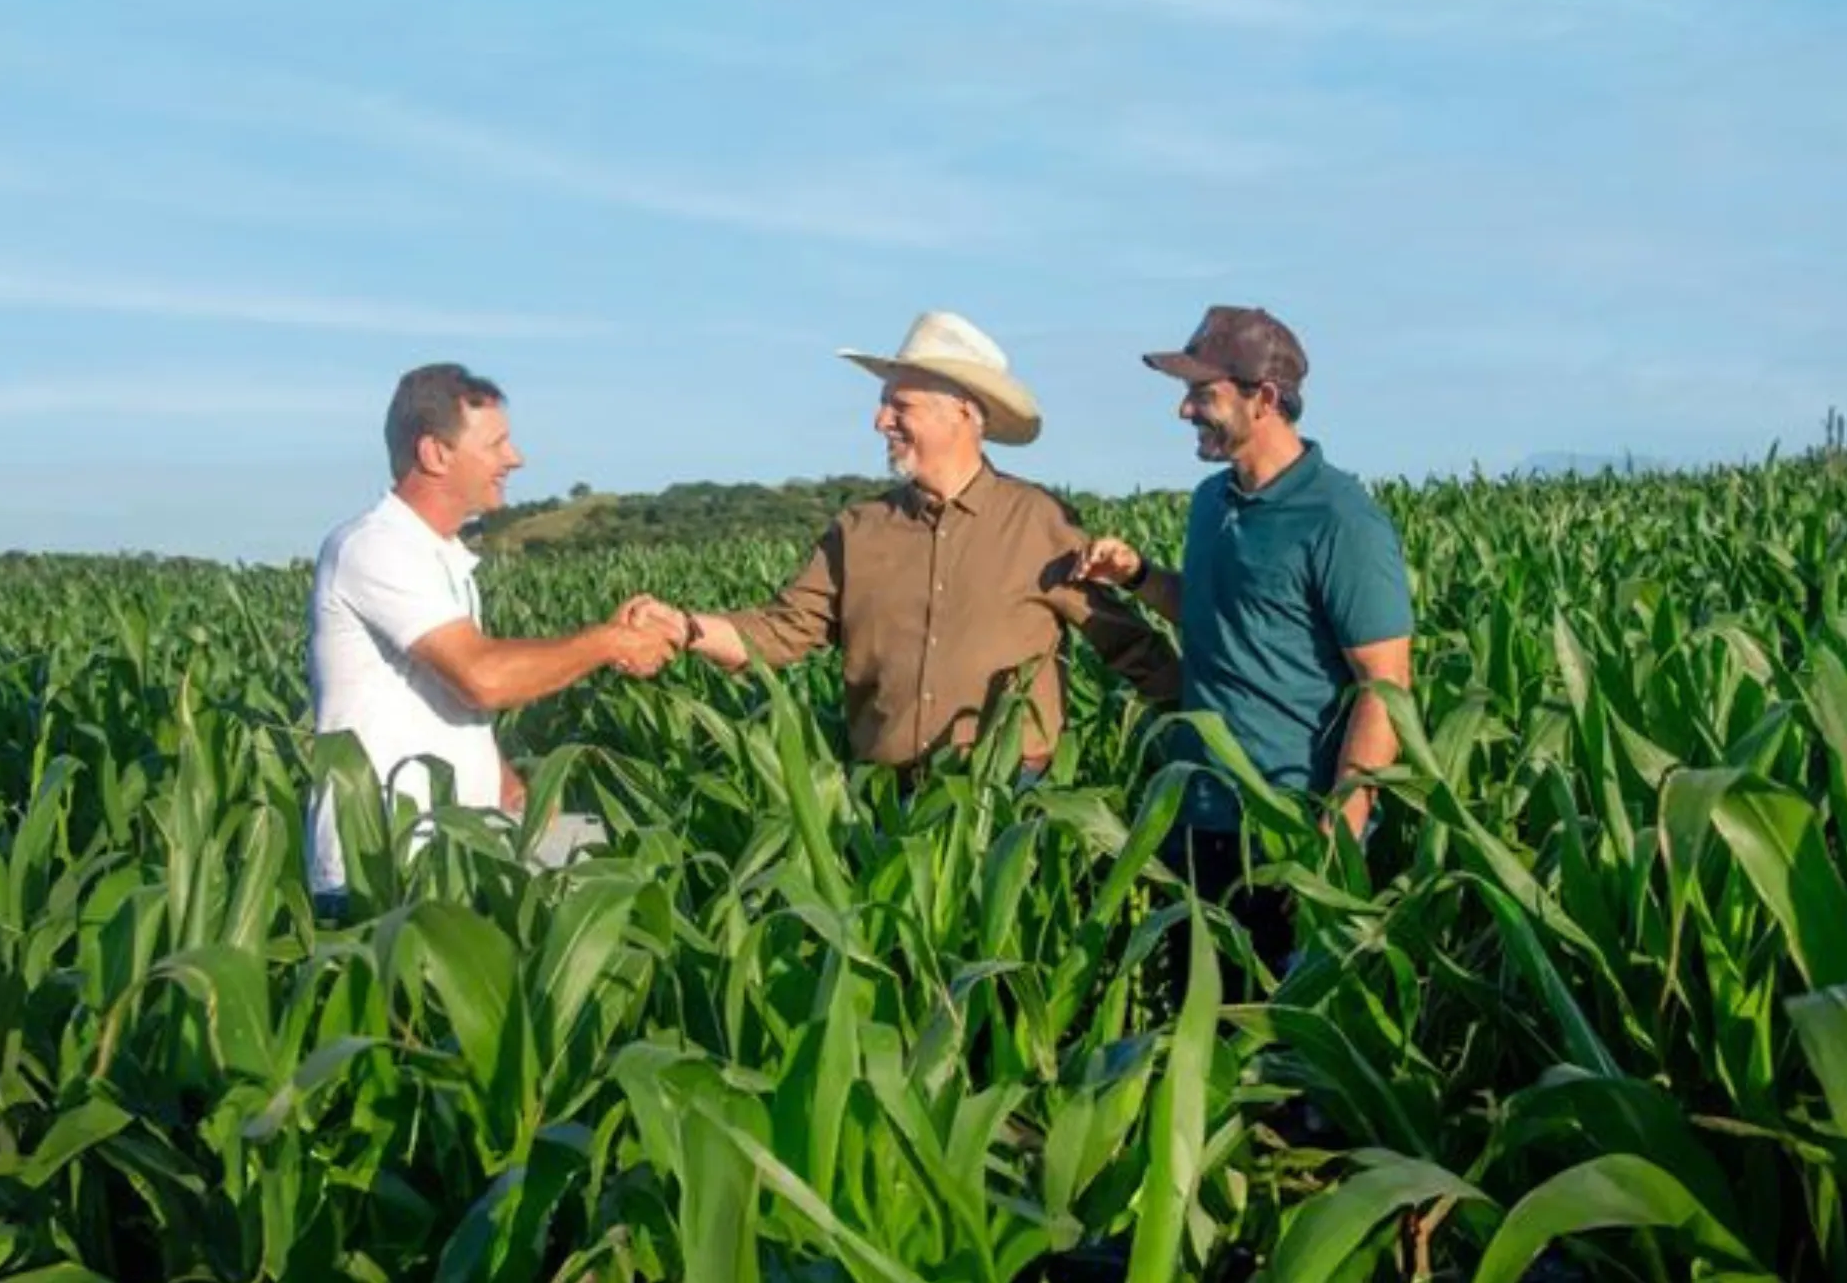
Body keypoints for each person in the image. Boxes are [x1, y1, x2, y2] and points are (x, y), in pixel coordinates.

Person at [636, 311, 1180, 783]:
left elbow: (1128, 646)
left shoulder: (1039, 522)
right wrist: (684, 628)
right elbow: (779, 633)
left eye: (901, 406)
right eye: (882, 406)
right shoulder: (859, 529)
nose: (880, 421)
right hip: (884, 802)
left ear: (963, 412)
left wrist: (1212, 727)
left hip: (1010, 794)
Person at [1074, 306, 1415, 993]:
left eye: (1204, 394)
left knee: (1287, 1050)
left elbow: (1385, 688)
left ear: (1263, 399)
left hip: (1287, 826)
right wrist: (1139, 576)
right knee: (1200, 1026)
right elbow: (1211, 616)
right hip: (1196, 812)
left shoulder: (1340, 519)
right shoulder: (1211, 502)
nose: (1183, 410)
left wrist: (1338, 834)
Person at [306, 363, 679, 907]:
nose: (515, 458)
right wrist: (611, 642)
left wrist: (509, 788)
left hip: (457, 852)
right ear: (435, 453)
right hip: (384, 868)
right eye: (497, 444)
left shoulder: (439, 557)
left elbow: (442, 702)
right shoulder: (374, 546)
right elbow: (481, 677)